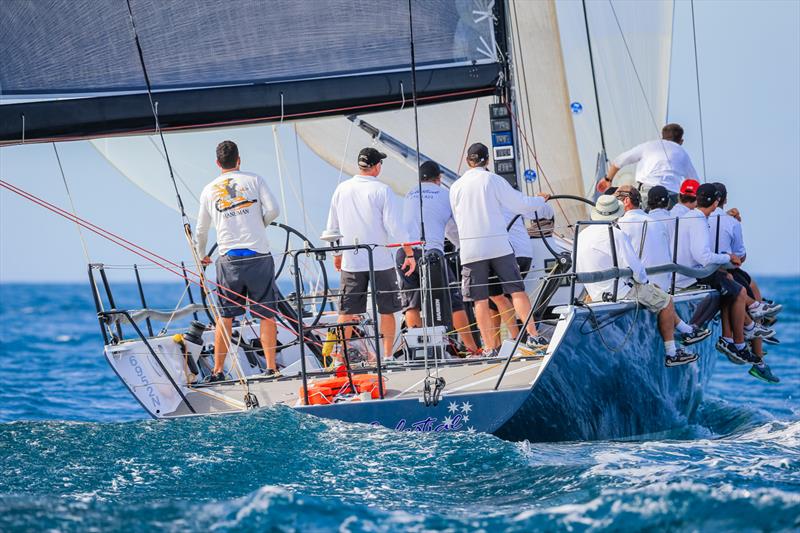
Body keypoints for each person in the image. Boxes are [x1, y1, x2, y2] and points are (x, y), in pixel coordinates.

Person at [449, 142, 549, 356]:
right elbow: (520, 204)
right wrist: (540, 200)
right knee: (516, 291)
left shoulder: (456, 186)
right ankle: (533, 336)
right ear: (487, 160)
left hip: (470, 249)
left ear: (468, 161)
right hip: (498, 245)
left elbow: (457, 218)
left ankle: (489, 348)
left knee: (480, 300)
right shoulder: (493, 180)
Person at [575, 195, 699, 366]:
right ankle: (672, 352)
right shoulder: (616, 234)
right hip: (620, 291)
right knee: (666, 300)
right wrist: (645, 283)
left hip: (594, 291)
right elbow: (637, 270)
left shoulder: (582, 235)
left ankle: (686, 329)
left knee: (655, 292)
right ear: (616, 215)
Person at [195, 140, 281, 382]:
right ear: (239, 159)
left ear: (217, 163)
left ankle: (218, 371)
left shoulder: (209, 189)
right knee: (266, 315)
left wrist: (202, 255)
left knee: (225, 316)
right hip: (258, 257)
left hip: (228, 261)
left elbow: (201, 230)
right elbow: (274, 210)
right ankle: (271, 368)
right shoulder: (254, 179)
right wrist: (259, 226)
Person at [326, 147, 416, 361]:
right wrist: (409, 252)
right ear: (377, 166)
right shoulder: (383, 190)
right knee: (387, 310)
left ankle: (341, 357)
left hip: (351, 260)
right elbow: (394, 226)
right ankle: (386, 357)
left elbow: (332, 227)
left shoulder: (342, 189)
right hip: (380, 261)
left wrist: (336, 254)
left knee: (346, 312)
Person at [674, 183, 765, 367]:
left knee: (729, 283)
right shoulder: (699, 220)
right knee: (737, 291)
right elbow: (704, 257)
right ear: (716, 203)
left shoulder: (687, 216)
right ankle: (740, 337)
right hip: (690, 275)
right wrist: (728, 256)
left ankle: (745, 329)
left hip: (682, 272)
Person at [399, 161, 478, 353]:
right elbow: (452, 230)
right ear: (439, 179)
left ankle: (417, 351)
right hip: (431, 254)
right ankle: (472, 348)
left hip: (404, 252)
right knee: (454, 301)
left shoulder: (409, 194)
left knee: (411, 303)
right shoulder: (445, 194)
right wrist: (465, 247)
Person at [488, 202, 555, 342]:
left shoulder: (485, 201)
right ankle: (511, 341)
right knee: (497, 299)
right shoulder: (509, 197)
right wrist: (540, 200)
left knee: (498, 297)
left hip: (506, 253)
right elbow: (543, 211)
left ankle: (516, 340)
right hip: (524, 252)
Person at [598, 123, 699, 208]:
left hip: (647, 191)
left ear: (662, 137)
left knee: (645, 225)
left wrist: (608, 179)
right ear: (681, 141)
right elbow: (695, 181)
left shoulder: (649, 145)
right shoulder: (682, 153)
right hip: (672, 196)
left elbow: (620, 160)